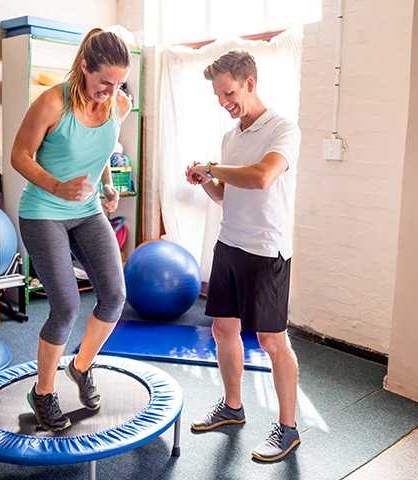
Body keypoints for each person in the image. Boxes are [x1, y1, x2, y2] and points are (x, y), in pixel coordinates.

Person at [11, 28, 132, 431]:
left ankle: (81, 368)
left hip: (87, 211)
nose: (110, 91)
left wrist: (109, 187)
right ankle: (43, 392)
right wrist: (58, 186)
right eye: (103, 82)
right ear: (85, 67)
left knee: (114, 296)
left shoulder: (121, 104)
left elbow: (102, 154)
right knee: (65, 305)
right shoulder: (51, 102)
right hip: (43, 211)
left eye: (117, 83)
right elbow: (19, 156)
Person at [185, 50, 301, 462]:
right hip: (229, 245)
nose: (224, 101)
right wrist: (205, 180)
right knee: (223, 330)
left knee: (272, 340)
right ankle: (233, 407)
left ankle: (288, 429)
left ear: (250, 82)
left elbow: (262, 176)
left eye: (229, 92)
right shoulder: (231, 136)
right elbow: (226, 194)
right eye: (218, 95)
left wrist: (213, 167)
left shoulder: (282, 128)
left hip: (267, 250)